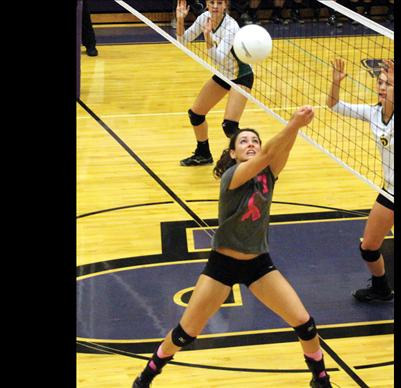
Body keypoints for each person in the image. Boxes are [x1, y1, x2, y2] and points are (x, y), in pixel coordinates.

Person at [132, 105, 333, 388]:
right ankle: (148, 375)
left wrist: (297, 128)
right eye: (244, 141)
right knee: (186, 333)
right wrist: (292, 123)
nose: (251, 144)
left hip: (258, 265)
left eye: (254, 140)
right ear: (232, 153)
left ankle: (321, 378)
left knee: (304, 323)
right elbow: (267, 154)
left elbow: (278, 152)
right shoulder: (232, 176)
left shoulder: (268, 175)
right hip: (222, 266)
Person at [326, 58, 394, 302]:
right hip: (390, 192)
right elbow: (333, 106)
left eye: (388, 83)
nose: (382, 86)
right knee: (369, 247)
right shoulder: (374, 113)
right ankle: (381, 289)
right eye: (381, 82)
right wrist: (335, 83)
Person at [176, 0, 254, 167]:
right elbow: (182, 41)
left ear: (225, 5)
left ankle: (254, 160)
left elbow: (218, 57)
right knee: (196, 114)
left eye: (220, 2)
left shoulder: (231, 27)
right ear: (207, 4)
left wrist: (208, 38)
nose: (216, 6)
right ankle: (203, 154)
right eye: (212, 2)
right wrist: (180, 19)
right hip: (224, 73)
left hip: (241, 75)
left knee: (229, 126)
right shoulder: (204, 18)